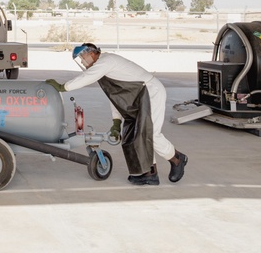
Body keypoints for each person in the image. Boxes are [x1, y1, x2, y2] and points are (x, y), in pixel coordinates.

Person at [46, 43, 187, 186]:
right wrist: (116, 122)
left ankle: (177, 158)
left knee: (150, 135)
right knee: (134, 135)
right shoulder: (104, 70)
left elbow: (87, 78)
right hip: (138, 97)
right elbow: (116, 96)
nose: (83, 62)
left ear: (92, 53)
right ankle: (150, 174)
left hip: (151, 93)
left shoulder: (106, 61)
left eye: (83, 57)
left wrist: (63, 87)